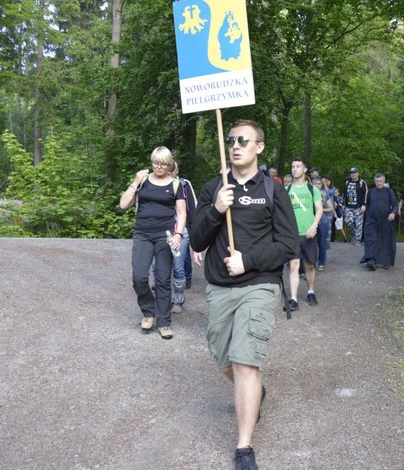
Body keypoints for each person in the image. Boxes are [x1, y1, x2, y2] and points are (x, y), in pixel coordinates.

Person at [189, 119, 299, 470]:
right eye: (232, 140)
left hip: (259, 285)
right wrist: (216, 210)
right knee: (225, 361)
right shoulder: (212, 189)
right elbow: (196, 240)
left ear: (259, 148)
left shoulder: (272, 190)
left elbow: (288, 244)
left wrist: (247, 261)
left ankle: (244, 448)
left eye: (244, 140)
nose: (236, 145)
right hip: (220, 288)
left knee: (244, 361)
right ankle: (255, 392)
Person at [118, 146, 186, 340]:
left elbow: (182, 213)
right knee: (139, 277)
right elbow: (123, 205)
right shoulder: (143, 181)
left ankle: (163, 322)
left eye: (163, 164)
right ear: (152, 162)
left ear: (169, 165)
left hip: (165, 235)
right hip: (142, 234)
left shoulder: (175, 185)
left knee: (163, 279)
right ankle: (149, 312)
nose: (159, 167)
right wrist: (135, 182)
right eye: (156, 162)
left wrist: (179, 235)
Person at [286, 157, 323, 310]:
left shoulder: (312, 189)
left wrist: (314, 226)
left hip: (309, 233)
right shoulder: (286, 190)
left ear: (304, 169)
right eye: (293, 166)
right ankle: (293, 299)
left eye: (298, 166)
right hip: (292, 234)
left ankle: (311, 291)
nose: (295, 169)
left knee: (309, 265)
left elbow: (319, 208)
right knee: (294, 265)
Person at [169, 162, 203, 313]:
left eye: (172, 169)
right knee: (158, 264)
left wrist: (193, 227)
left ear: (176, 170)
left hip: (182, 228)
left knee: (180, 262)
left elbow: (193, 206)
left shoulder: (184, 184)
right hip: (163, 230)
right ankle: (163, 294)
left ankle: (179, 296)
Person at [359, 173, 397, 270]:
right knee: (371, 239)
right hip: (372, 219)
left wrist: (393, 213)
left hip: (386, 220)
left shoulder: (389, 191)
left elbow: (395, 205)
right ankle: (371, 260)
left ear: (384, 182)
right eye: (377, 181)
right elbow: (366, 203)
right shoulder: (371, 192)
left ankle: (385, 261)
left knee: (385, 240)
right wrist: (363, 207)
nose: (379, 183)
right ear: (375, 182)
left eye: (380, 181)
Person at [342, 167, 368, 246]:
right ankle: (355, 234)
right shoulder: (347, 182)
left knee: (359, 224)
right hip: (349, 206)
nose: (352, 174)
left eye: (354, 173)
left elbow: (365, 194)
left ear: (358, 174)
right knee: (348, 221)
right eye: (351, 173)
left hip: (358, 206)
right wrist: (343, 204)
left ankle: (358, 239)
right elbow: (344, 194)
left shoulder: (362, 182)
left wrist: (364, 205)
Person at [315, 177, 334, 271]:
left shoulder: (324, 193)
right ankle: (311, 262)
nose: (317, 185)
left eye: (319, 184)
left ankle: (322, 262)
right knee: (311, 243)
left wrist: (321, 210)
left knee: (322, 242)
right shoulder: (308, 194)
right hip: (311, 220)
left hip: (323, 220)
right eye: (315, 184)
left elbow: (331, 208)